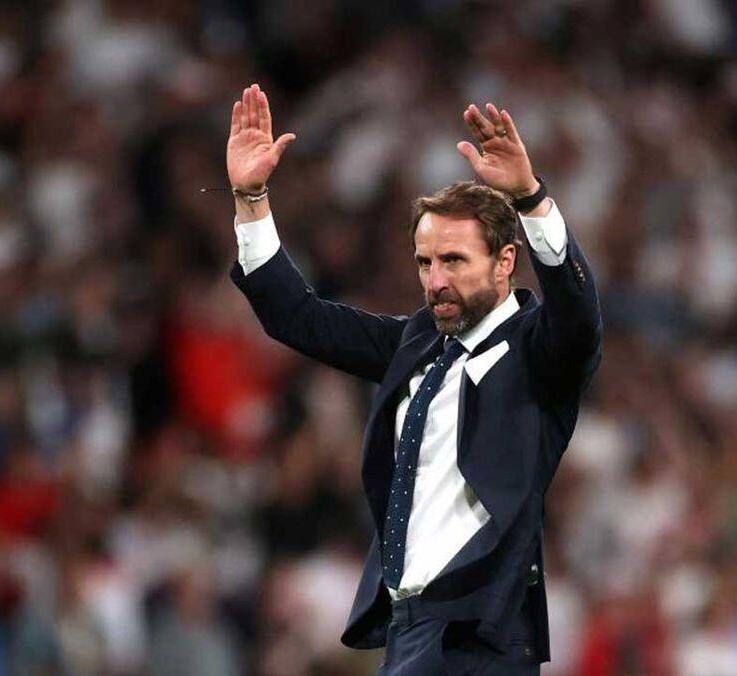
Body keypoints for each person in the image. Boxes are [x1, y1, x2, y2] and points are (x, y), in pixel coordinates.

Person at [226, 84, 602, 674]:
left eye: (454, 261)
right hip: (409, 628)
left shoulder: (538, 353)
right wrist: (251, 198)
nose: (435, 281)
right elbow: (297, 317)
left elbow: (579, 315)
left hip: (477, 630)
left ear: (504, 262)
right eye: (426, 262)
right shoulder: (416, 342)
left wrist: (531, 200)